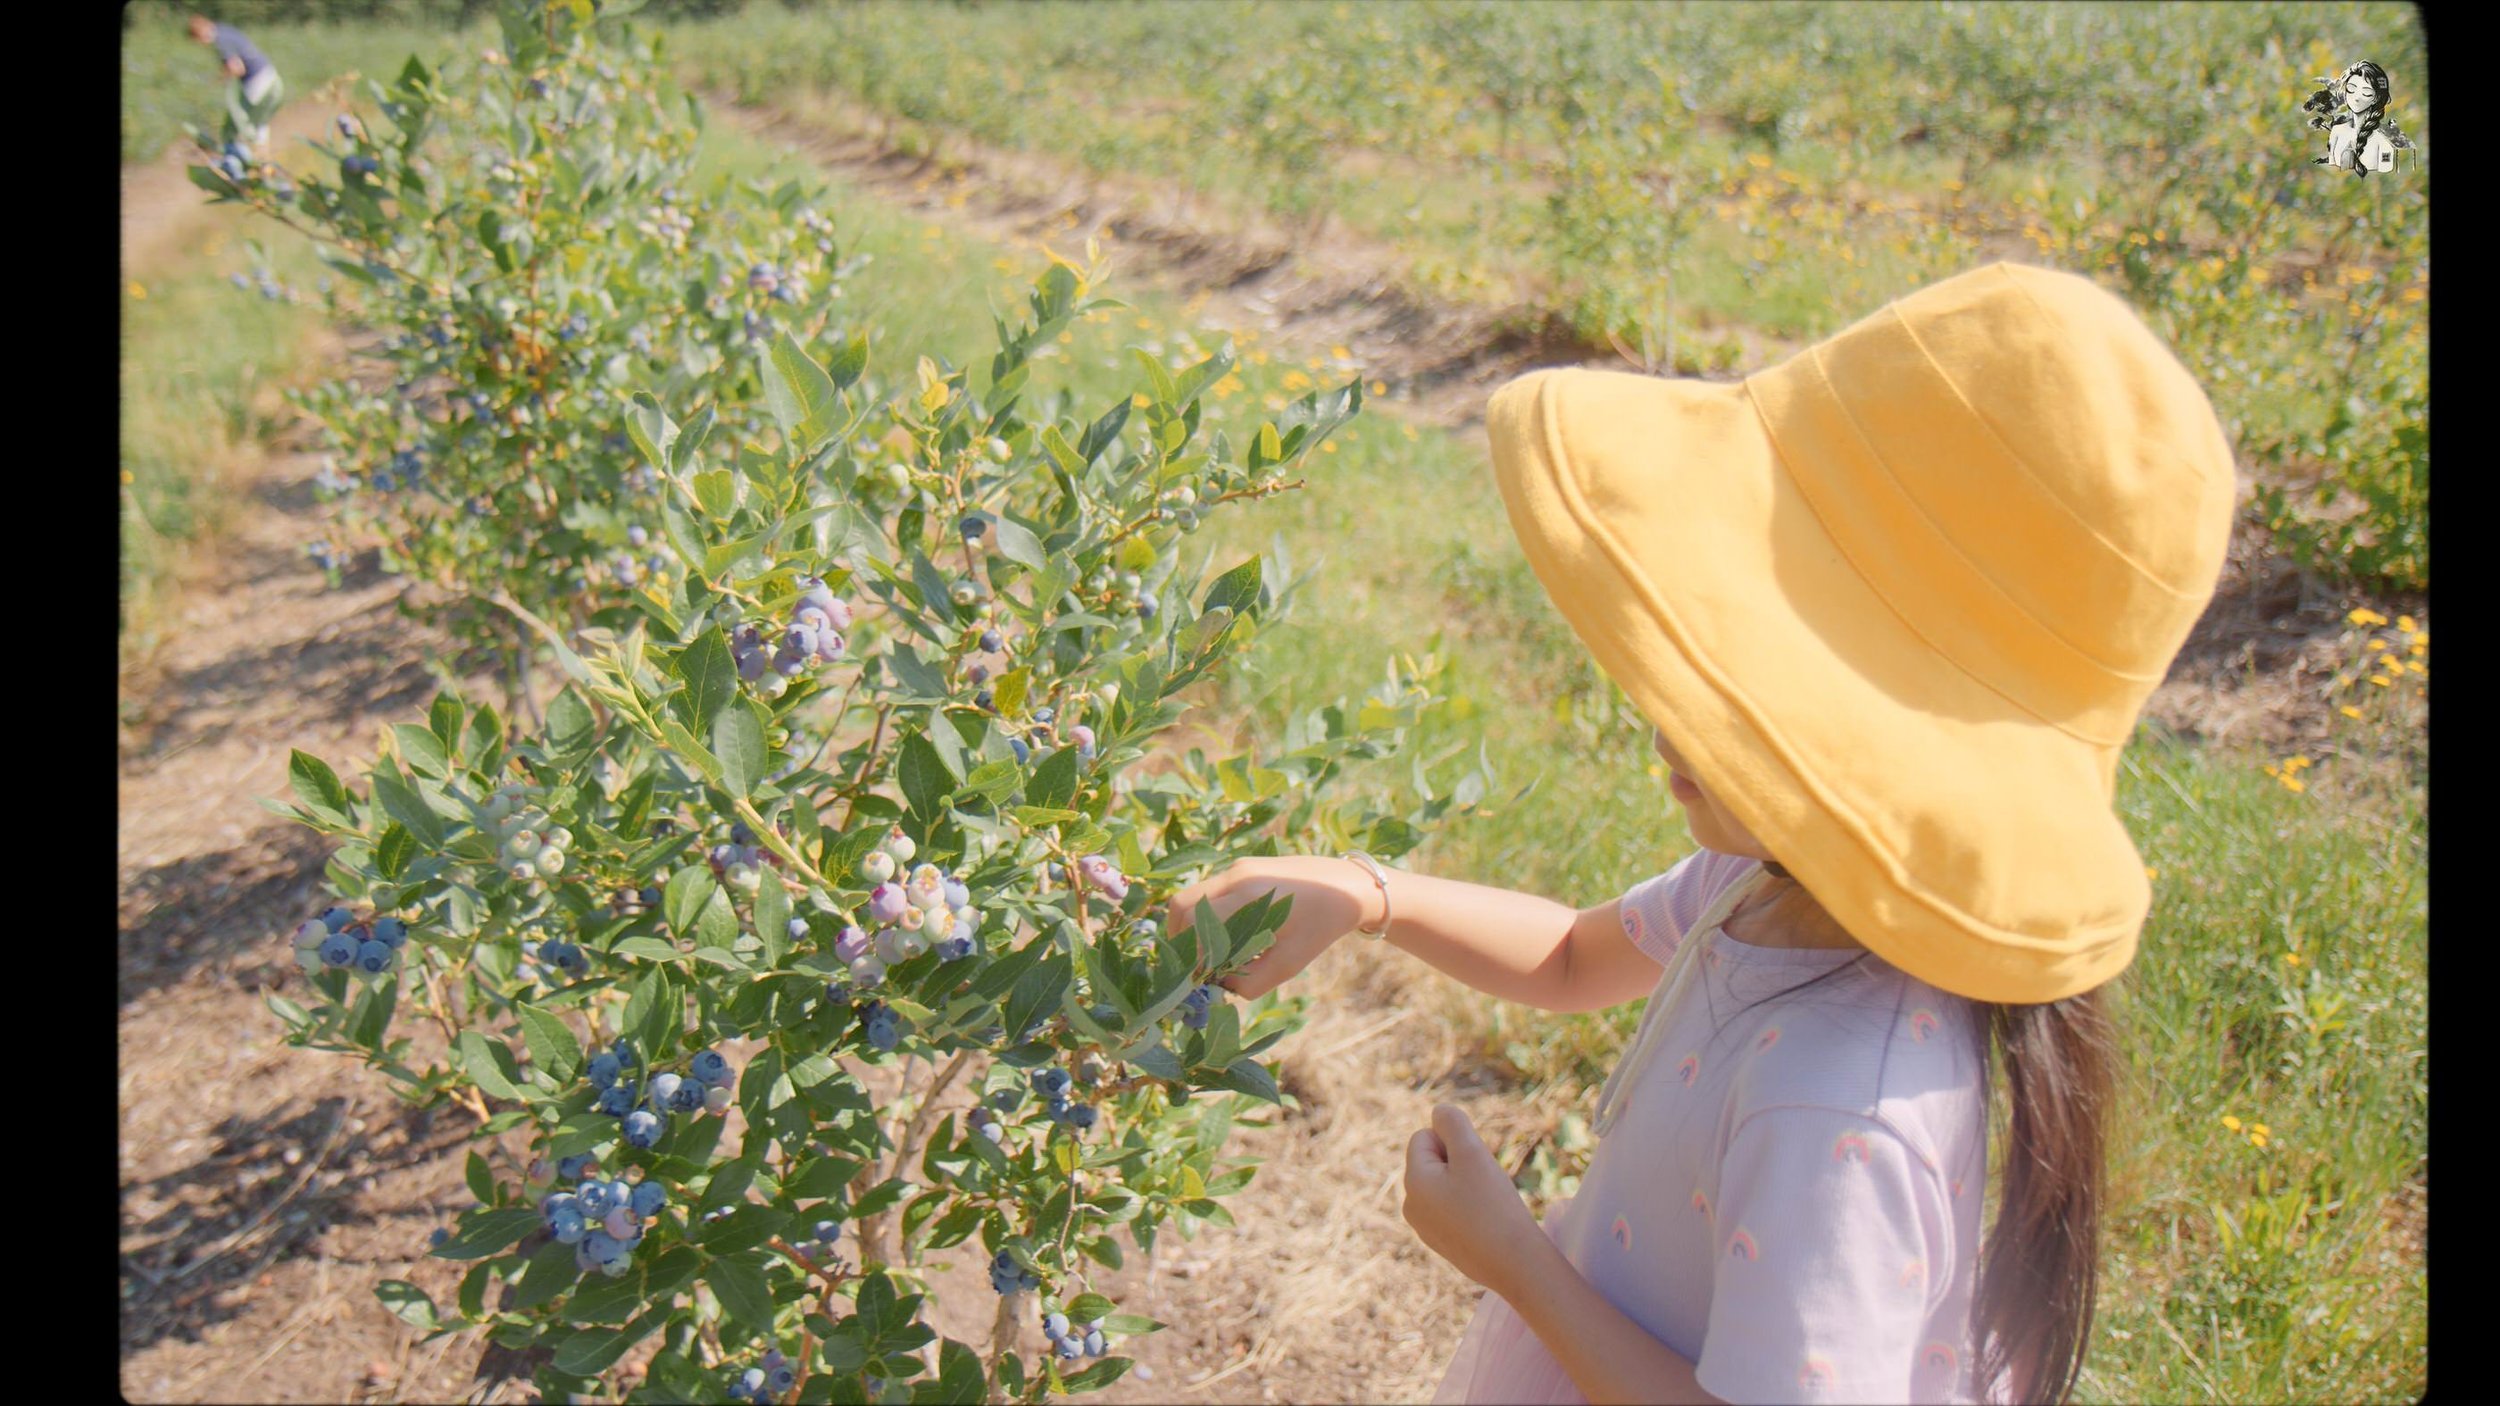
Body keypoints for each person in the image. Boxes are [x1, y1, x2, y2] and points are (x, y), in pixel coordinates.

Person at [1166, 261, 2237, 1403]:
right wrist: (1366, 892)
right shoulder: (1777, 878)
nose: (1664, 702)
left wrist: (1517, 1262)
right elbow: (1577, 955)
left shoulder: (1837, 1106)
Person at [188, 13, 282, 152]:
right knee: (258, 121)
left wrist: (219, 79)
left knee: (241, 124)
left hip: (256, 80)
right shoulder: (224, 29)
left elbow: (236, 68)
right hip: (268, 74)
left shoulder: (220, 41)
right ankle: (262, 156)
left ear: (201, 33)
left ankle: (245, 156)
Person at [2305, 59, 2411, 177]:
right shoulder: (2337, 131)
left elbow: (2387, 176)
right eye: (2351, 88)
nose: (2356, 97)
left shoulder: (2384, 141)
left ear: (2376, 98)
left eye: (2365, 92)